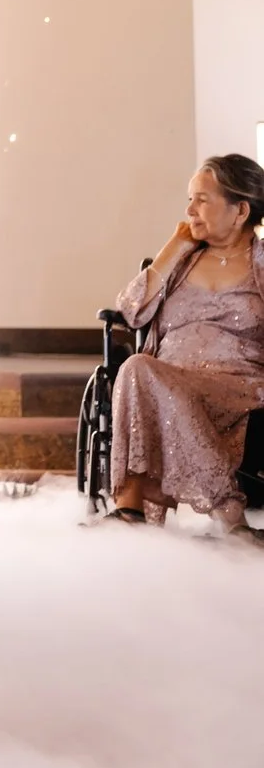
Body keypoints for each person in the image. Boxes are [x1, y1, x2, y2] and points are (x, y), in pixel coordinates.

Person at [106, 153, 264, 536]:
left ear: (240, 210)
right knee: (139, 369)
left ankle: (133, 508)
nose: (189, 209)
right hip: (165, 377)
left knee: (142, 372)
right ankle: (226, 515)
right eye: (189, 198)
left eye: (201, 199)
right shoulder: (182, 259)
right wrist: (171, 248)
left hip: (236, 386)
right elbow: (131, 311)